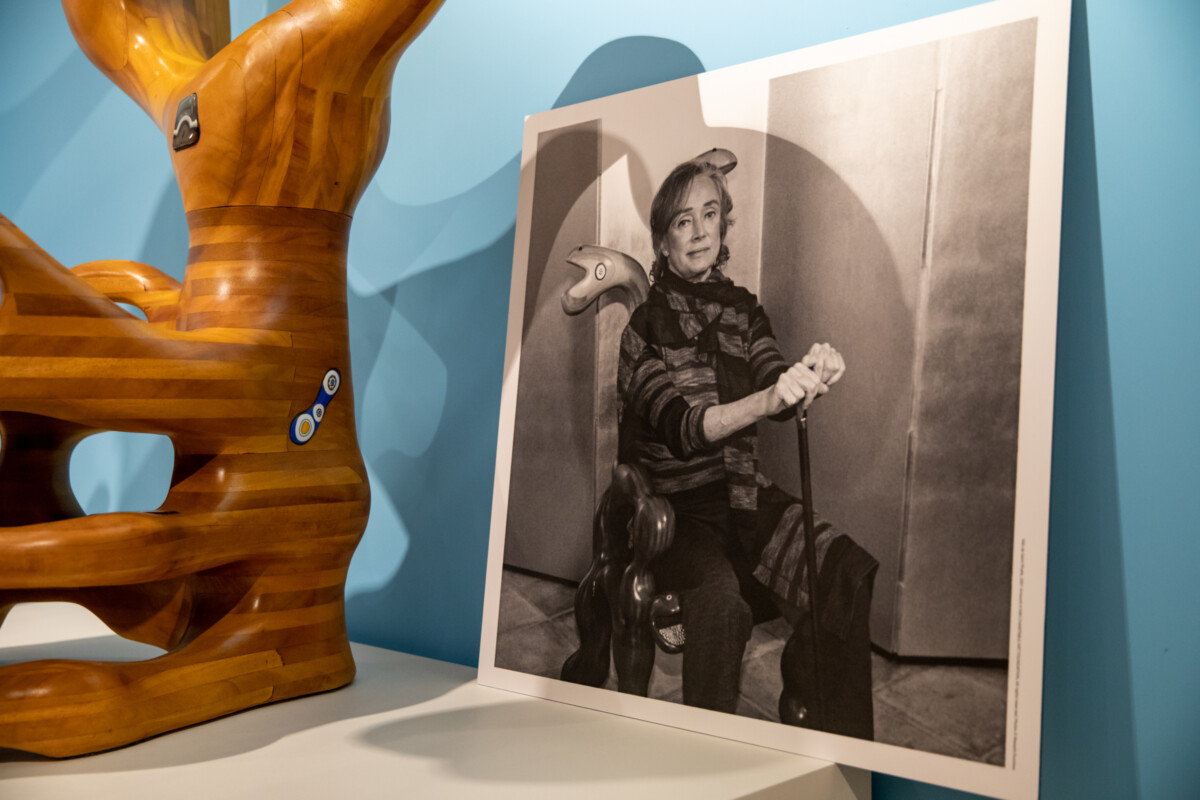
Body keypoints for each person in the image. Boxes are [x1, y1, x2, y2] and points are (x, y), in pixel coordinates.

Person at [617, 157, 845, 712]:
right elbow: (684, 428)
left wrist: (807, 375)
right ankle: (707, 748)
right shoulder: (642, 330)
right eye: (682, 221)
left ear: (723, 226)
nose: (699, 231)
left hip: (742, 500)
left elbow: (772, 376)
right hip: (674, 519)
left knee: (842, 569)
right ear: (663, 242)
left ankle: (824, 731)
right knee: (722, 604)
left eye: (710, 214)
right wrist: (767, 400)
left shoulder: (744, 310)